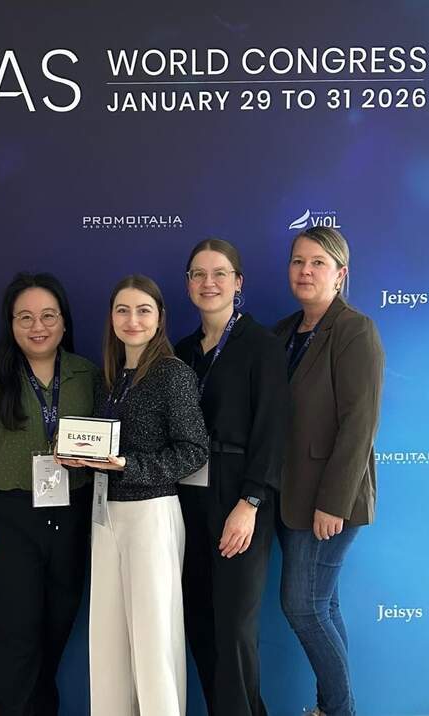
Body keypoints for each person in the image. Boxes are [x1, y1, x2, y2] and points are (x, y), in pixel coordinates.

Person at [0, 272, 97, 716]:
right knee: (12, 638)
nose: (38, 326)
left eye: (48, 316)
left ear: (64, 321)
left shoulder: (87, 375)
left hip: (71, 516)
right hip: (7, 520)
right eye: (25, 317)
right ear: (10, 324)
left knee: (55, 629)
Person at [60, 274, 207, 716]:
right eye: (122, 310)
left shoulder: (172, 373)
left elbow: (194, 451)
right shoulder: (108, 378)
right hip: (106, 514)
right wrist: (78, 458)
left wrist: (130, 466)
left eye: (143, 310)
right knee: (107, 640)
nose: (132, 320)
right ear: (111, 318)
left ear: (160, 317)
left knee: (153, 638)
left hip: (151, 514)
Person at [174, 238, 288, 716]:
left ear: (238, 283)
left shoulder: (262, 346)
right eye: (198, 274)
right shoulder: (181, 351)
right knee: (199, 621)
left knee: (235, 629)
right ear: (188, 284)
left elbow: (273, 429)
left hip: (241, 498)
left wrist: (251, 502)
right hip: (187, 498)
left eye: (219, 273)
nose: (209, 283)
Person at [274, 227, 384, 716]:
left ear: (340, 274)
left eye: (318, 262)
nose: (305, 271)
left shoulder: (355, 330)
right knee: (323, 606)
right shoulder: (283, 333)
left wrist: (332, 503)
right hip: (288, 494)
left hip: (328, 500)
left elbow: (359, 423)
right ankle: (330, 708)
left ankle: (339, 711)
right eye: (298, 261)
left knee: (303, 607)